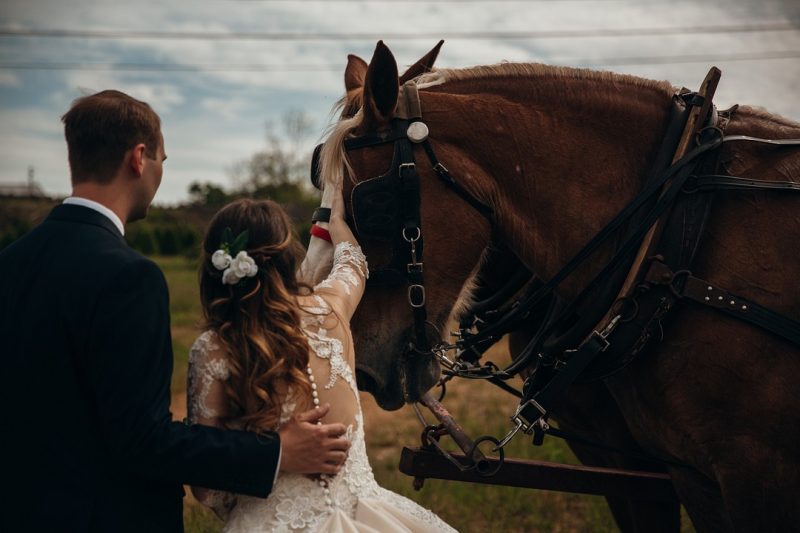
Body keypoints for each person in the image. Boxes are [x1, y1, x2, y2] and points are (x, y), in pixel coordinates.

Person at [0, 90, 350, 533]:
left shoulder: (10, 262)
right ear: (139, 158)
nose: (161, 172)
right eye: (163, 160)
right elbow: (142, 440)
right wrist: (276, 451)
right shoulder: (127, 277)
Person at [188, 191, 457, 531]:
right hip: (367, 515)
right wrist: (335, 222)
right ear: (287, 258)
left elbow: (206, 488)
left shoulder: (214, 348)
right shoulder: (332, 308)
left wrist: (264, 460)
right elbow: (353, 263)